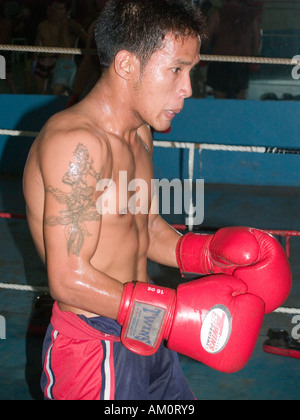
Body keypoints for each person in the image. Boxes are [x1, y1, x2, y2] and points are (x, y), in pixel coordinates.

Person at [23, 0, 291, 401]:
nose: (187, 88)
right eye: (176, 69)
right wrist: (174, 316)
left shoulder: (139, 134)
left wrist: (208, 254)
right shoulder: (76, 144)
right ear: (128, 65)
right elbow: (67, 280)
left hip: (146, 330)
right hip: (95, 347)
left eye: (191, 71)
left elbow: (144, 228)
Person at [204, 0, 262, 99]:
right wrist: (255, 57)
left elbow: (206, 37)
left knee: (219, 96)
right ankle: (241, 114)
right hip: (241, 61)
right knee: (240, 94)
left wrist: (204, 54)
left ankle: (221, 114)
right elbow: (258, 40)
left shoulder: (218, 14)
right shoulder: (251, 15)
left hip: (220, 60)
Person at [32, 0, 87, 94]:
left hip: (66, 63)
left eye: (60, 9)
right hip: (56, 62)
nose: (56, 11)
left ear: (67, 11)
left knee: (58, 92)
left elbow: (86, 38)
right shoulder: (51, 25)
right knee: (53, 93)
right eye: (55, 8)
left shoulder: (72, 25)